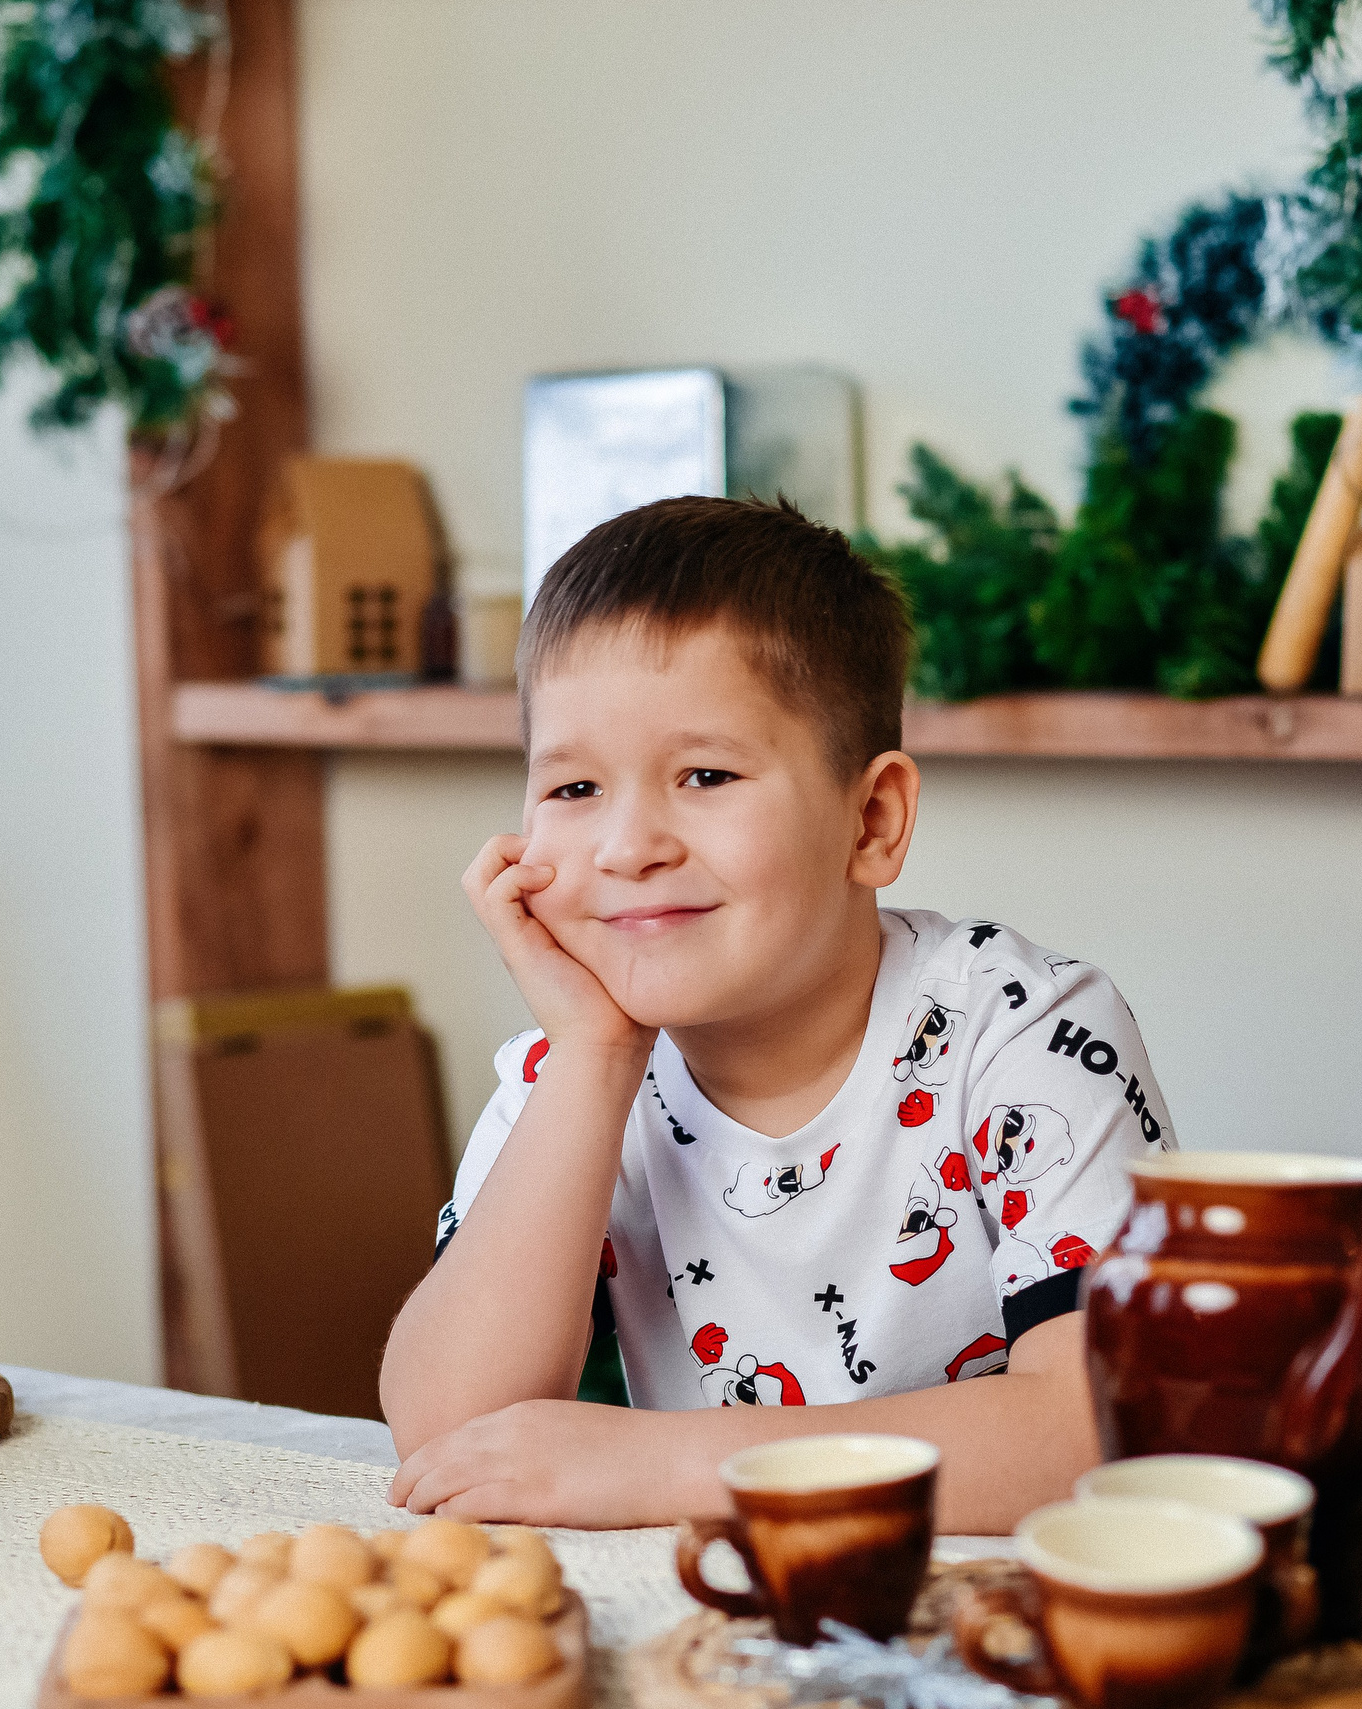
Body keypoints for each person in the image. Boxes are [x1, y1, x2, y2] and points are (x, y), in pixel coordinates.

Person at [379, 495, 1176, 1531]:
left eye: (704, 774)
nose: (627, 846)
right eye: (572, 788)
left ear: (872, 818)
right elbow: (450, 1434)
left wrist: (670, 1468)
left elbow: (1101, 1429)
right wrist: (594, 1054)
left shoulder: (1021, 1026)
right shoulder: (565, 1072)